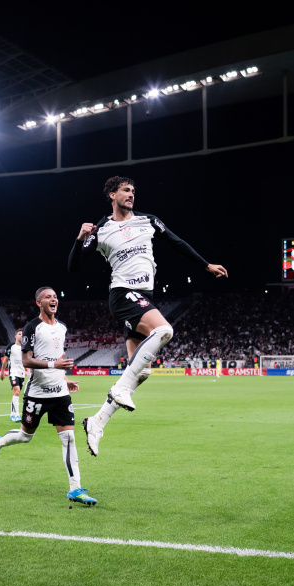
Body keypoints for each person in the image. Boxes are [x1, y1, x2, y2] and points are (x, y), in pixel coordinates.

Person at [68, 175, 227, 456]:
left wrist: (206, 265)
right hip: (123, 293)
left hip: (144, 297)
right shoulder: (101, 229)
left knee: (142, 372)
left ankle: (96, 422)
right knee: (164, 331)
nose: (131, 195)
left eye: (133, 191)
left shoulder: (149, 221)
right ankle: (120, 390)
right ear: (111, 195)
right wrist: (80, 239)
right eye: (125, 191)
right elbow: (73, 267)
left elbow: (178, 243)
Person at [0, 287, 95, 507]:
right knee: (25, 436)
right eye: (48, 297)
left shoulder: (62, 328)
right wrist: (55, 365)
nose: (53, 299)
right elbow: (26, 361)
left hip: (60, 393)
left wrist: (63, 379)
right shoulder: (32, 327)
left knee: (69, 438)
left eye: (55, 297)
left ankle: (75, 489)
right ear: (39, 303)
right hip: (37, 393)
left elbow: (57, 357)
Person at [1, 329, 25, 422]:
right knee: (17, 391)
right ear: (15, 336)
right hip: (13, 373)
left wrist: (29, 371)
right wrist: (2, 372)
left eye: (22, 335)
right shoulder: (11, 347)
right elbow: (5, 360)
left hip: (22, 373)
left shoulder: (25, 347)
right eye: (19, 334)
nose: (21, 336)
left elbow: (27, 360)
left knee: (16, 393)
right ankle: (17, 415)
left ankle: (12, 414)